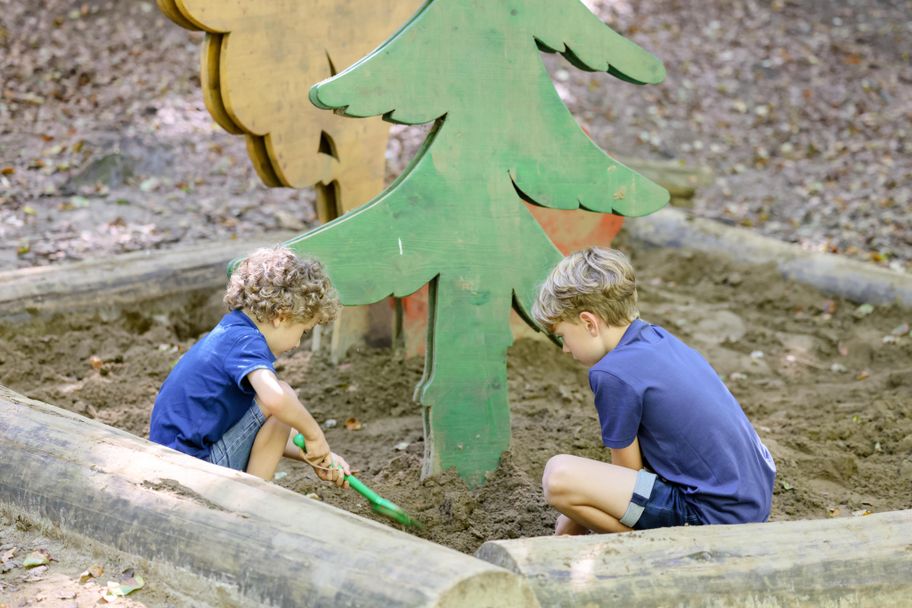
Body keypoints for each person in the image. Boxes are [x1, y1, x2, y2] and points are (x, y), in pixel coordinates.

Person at [531, 246, 775, 534]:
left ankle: (646, 546)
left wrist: (567, 524)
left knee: (559, 478)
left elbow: (627, 476)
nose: (566, 349)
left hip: (712, 518)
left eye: (563, 336)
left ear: (589, 323)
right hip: (750, 501)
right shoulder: (657, 338)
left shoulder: (611, 374)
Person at [149, 246, 349, 485]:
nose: (297, 343)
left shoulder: (232, 332)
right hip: (189, 471)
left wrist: (320, 456)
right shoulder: (245, 343)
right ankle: (250, 499)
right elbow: (276, 399)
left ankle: (250, 494)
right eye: (303, 331)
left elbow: (259, 428)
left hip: (172, 463)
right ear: (281, 316)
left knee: (282, 412)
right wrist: (315, 435)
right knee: (283, 395)